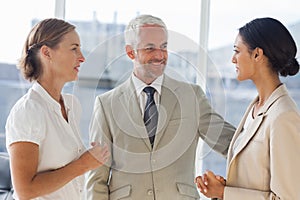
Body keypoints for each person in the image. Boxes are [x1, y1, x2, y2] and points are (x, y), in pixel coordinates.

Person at [85, 14, 235, 199]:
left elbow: (231, 144)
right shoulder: (106, 104)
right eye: (150, 48)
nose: (159, 55)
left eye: (163, 47)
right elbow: (96, 178)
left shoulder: (191, 96)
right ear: (131, 52)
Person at [195, 17, 300, 199]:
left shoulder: (283, 116)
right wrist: (227, 189)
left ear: (257, 55)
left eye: (237, 51)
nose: (232, 59)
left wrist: (224, 192)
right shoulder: (256, 107)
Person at [5, 18, 109, 200]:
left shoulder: (71, 105)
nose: (82, 57)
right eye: (74, 48)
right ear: (47, 53)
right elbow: (25, 191)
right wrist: (84, 164)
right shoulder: (28, 111)